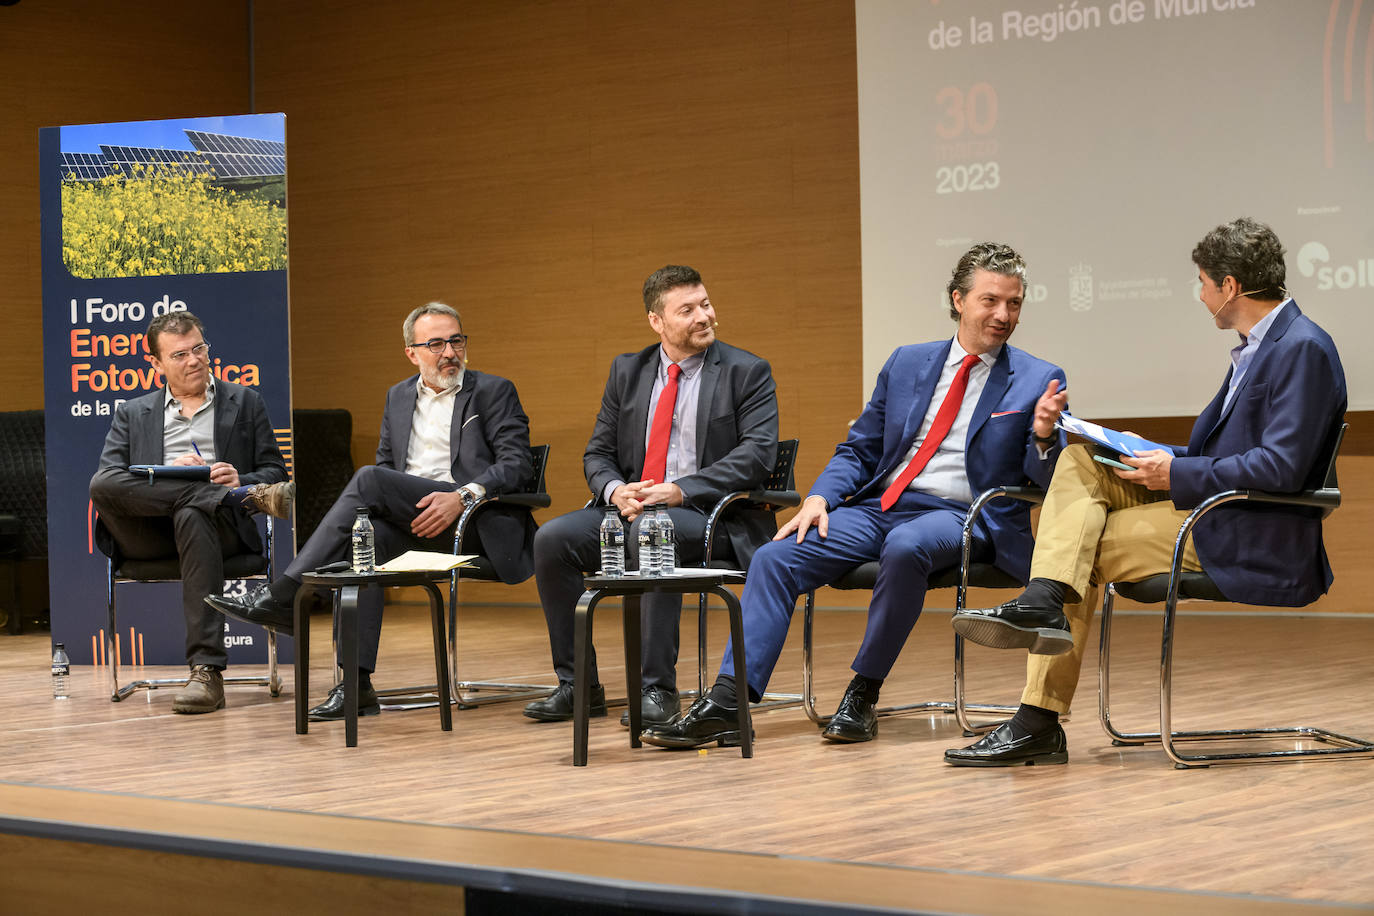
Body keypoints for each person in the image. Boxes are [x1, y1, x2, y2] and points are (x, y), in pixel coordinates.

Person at [945, 217, 1347, 767]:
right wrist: (1152, 453)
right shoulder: (1262, 345)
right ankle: (1043, 601)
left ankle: (1037, 715)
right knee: (1082, 456)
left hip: (1247, 529)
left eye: (1203, 281)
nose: (1200, 293)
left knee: (1078, 553)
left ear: (1228, 286)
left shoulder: (1301, 348)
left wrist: (1175, 475)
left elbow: (1282, 468)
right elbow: (1234, 454)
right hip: (1215, 506)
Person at [641, 242, 1069, 749]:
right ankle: (729, 704)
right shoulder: (908, 363)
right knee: (777, 557)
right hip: (880, 506)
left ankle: (863, 693)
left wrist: (1044, 436)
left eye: (1014, 303)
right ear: (958, 300)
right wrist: (820, 497)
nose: (1003, 314)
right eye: (990, 301)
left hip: (962, 514)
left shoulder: (1038, 378)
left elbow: (1044, 482)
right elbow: (860, 448)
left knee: (907, 546)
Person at [207, 303, 536, 721]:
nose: (449, 352)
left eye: (456, 340)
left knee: (367, 480)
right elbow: (387, 468)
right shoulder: (398, 397)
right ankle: (356, 684)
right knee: (367, 539)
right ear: (411, 353)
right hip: (412, 520)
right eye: (435, 343)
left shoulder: (493, 391)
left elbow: (516, 464)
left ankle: (288, 593)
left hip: (470, 525)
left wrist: (462, 496)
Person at [523, 265, 778, 727]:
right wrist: (615, 489)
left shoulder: (747, 371)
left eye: (705, 304)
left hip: (714, 519)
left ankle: (656, 688)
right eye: (688, 310)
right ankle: (578, 684)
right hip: (632, 508)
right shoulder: (628, 370)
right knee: (552, 541)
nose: (704, 316)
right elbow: (597, 452)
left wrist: (681, 490)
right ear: (657, 321)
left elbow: (758, 457)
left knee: (650, 532)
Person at [90, 311, 294, 714]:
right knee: (101, 484)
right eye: (180, 354)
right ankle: (214, 498)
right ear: (156, 363)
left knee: (192, 514)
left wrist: (240, 479)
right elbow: (111, 479)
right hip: (148, 535)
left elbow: (275, 473)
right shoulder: (133, 413)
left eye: (199, 348)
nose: (194, 360)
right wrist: (171, 483)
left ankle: (206, 671)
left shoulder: (244, 402)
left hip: (217, 532)